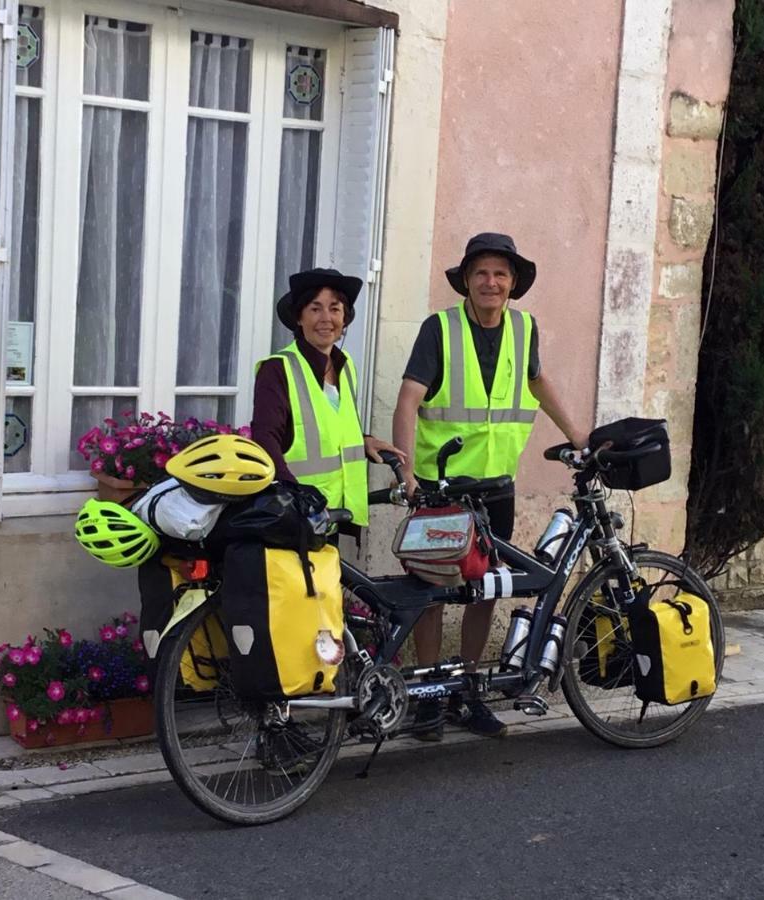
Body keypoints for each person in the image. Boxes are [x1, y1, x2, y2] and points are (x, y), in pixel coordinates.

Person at [393, 233, 589, 739]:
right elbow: (409, 399)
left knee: (486, 591)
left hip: (497, 487)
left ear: (513, 283)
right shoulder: (440, 328)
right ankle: (430, 698)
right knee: (432, 593)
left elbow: (538, 381)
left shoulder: (525, 329)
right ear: (466, 280)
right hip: (441, 489)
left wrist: (577, 436)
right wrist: (406, 472)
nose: (491, 282)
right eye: (481, 272)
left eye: (501, 274)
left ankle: (465, 690)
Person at [251, 268, 405, 530]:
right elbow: (266, 440)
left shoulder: (346, 368)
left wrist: (364, 441)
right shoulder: (277, 369)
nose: (326, 318)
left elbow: (327, 423)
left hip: (334, 514)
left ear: (345, 318)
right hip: (296, 516)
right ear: (299, 317)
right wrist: (296, 499)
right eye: (315, 308)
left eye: (335, 309)